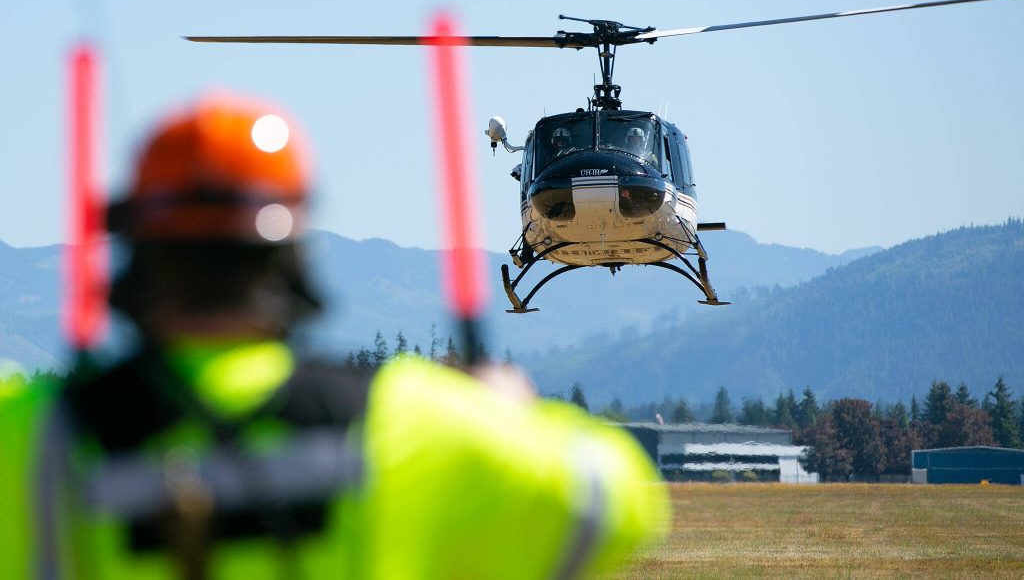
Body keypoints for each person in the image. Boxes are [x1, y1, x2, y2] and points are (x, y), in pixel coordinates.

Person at [0, 93, 669, 579]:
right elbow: (622, 502)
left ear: (137, 248)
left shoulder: (38, 434)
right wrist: (504, 415)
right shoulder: (407, 417)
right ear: (291, 253)